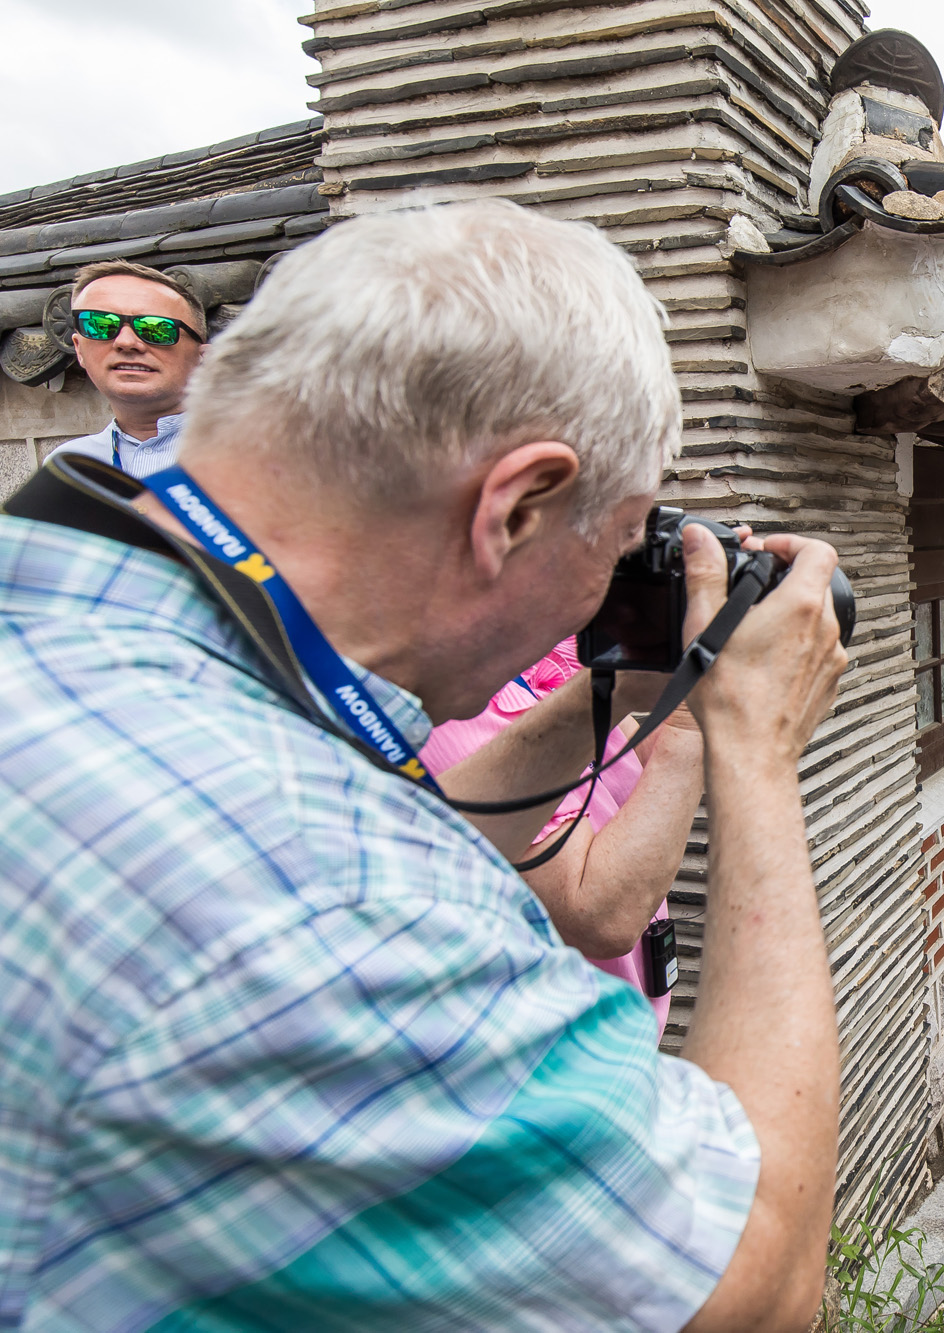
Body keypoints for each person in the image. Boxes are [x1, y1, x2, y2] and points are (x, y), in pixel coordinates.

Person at [0, 201, 848, 1330]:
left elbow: (409, 814)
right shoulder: (328, 898)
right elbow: (761, 1284)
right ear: (517, 506)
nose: (612, 587)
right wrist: (751, 746)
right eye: (621, 538)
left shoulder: (95, 610)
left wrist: (628, 706)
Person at [419, 636, 704, 1044]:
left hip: (625, 1027)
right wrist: (689, 726)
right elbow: (598, 915)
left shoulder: (540, 654)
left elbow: (637, 768)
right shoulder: (454, 704)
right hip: (553, 1054)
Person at [49, 260, 207, 477]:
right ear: (79, 349)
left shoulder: (256, 452)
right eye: (100, 325)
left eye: (155, 328)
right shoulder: (67, 469)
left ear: (201, 355)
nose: (126, 342)